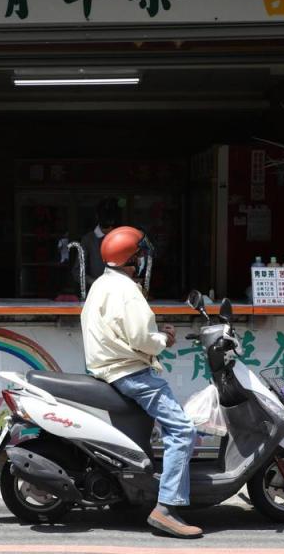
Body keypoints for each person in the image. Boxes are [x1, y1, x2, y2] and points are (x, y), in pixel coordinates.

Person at [80, 226, 202, 538]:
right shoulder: (127, 290)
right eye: (142, 255)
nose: (146, 261)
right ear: (132, 260)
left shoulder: (102, 285)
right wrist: (163, 338)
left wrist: (155, 337)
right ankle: (166, 508)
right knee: (183, 430)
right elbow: (141, 338)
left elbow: (127, 332)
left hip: (110, 370)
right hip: (132, 373)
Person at [72, 197, 121, 289]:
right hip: (96, 291)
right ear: (98, 217)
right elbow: (77, 271)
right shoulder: (88, 240)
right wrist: (95, 282)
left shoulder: (122, 238)